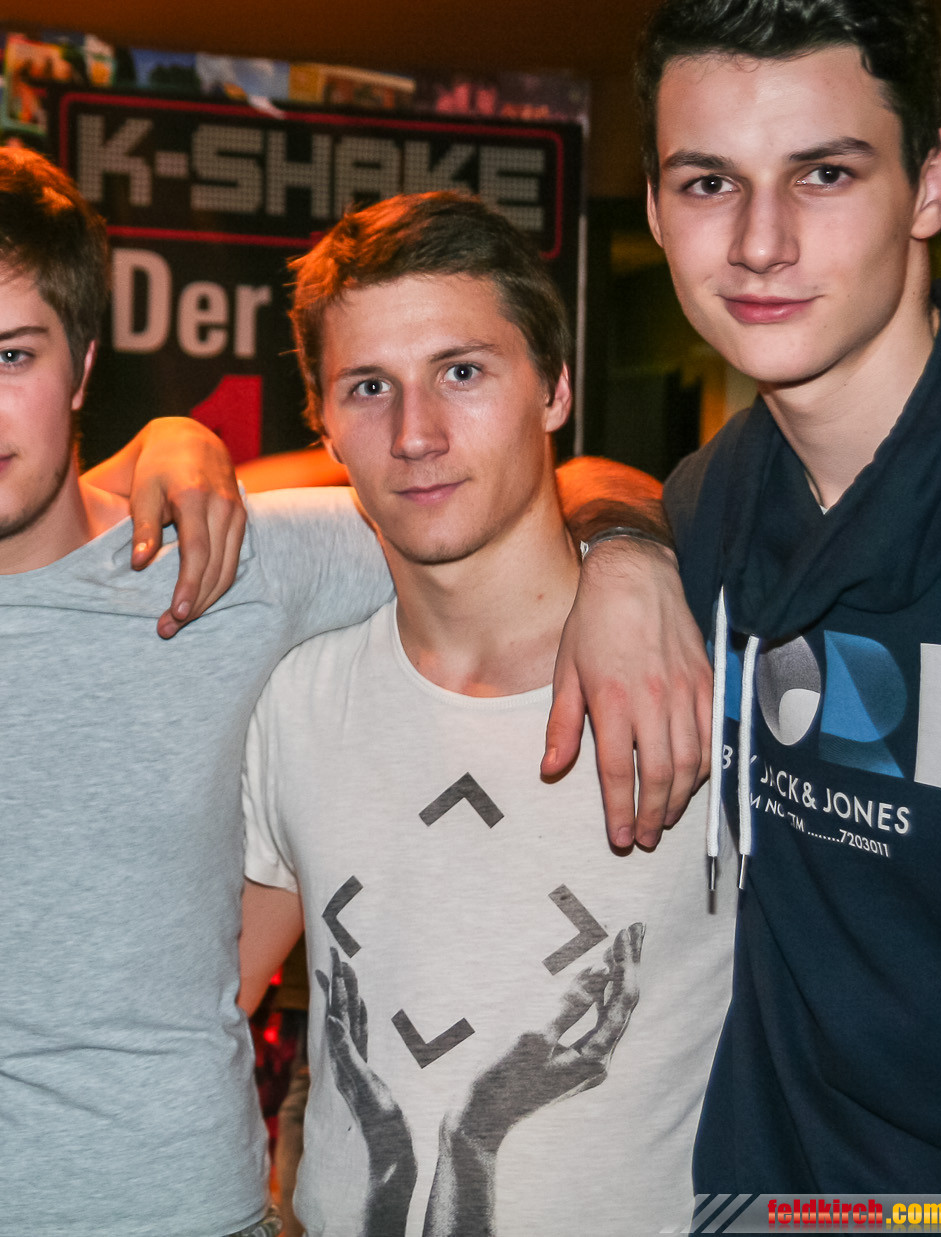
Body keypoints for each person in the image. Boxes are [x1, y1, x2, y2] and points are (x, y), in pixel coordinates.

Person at [0, 137, 708, 1237]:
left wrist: (630, 557)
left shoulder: (244, 562)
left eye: (9, 355)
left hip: (186, 1208)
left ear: (81, 363)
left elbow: (537, 488)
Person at [637, 0, 941, 1198]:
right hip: (766, 1198)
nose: (758, 243)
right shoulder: (710, 504)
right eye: (707, 183)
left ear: (930, 184)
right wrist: (620, 548)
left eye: (822, 174)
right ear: (656, 209)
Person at [234, 191, 735, 1236]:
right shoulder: (296, 700)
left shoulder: (703, 676)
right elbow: (187, 1002)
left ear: (554, 387)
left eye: (462, 372)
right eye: (369, 386)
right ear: (322, 421)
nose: (415, 433)